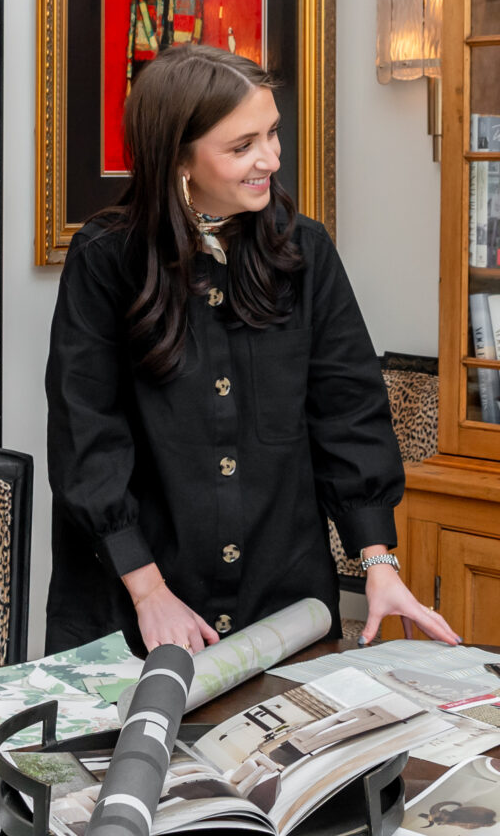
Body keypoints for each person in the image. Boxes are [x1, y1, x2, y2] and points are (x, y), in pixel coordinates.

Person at [46, 42, 458, 655]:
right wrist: (149, 592)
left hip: (282, 604)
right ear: (178, 159)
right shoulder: (107, 260)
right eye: (241, 147)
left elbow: (348, 411)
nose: (268, 159)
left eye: (272, 134)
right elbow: (88, 438)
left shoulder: (306, 253)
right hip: (141, 609)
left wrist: (379, 562)